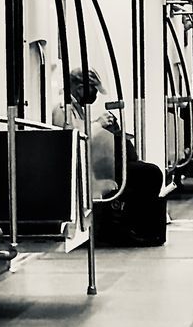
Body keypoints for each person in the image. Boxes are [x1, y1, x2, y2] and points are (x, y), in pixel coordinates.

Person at [54, 68, 166, 246]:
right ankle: (123, 227)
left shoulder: (77, 108)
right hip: (84, 170)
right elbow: (72, 138)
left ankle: (134, 226)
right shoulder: (63, 109)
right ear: (79, 87)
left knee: (146, 172)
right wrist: (99, 124)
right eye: (93, 90)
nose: (95, 95)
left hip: (97, 164)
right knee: (148, 175)